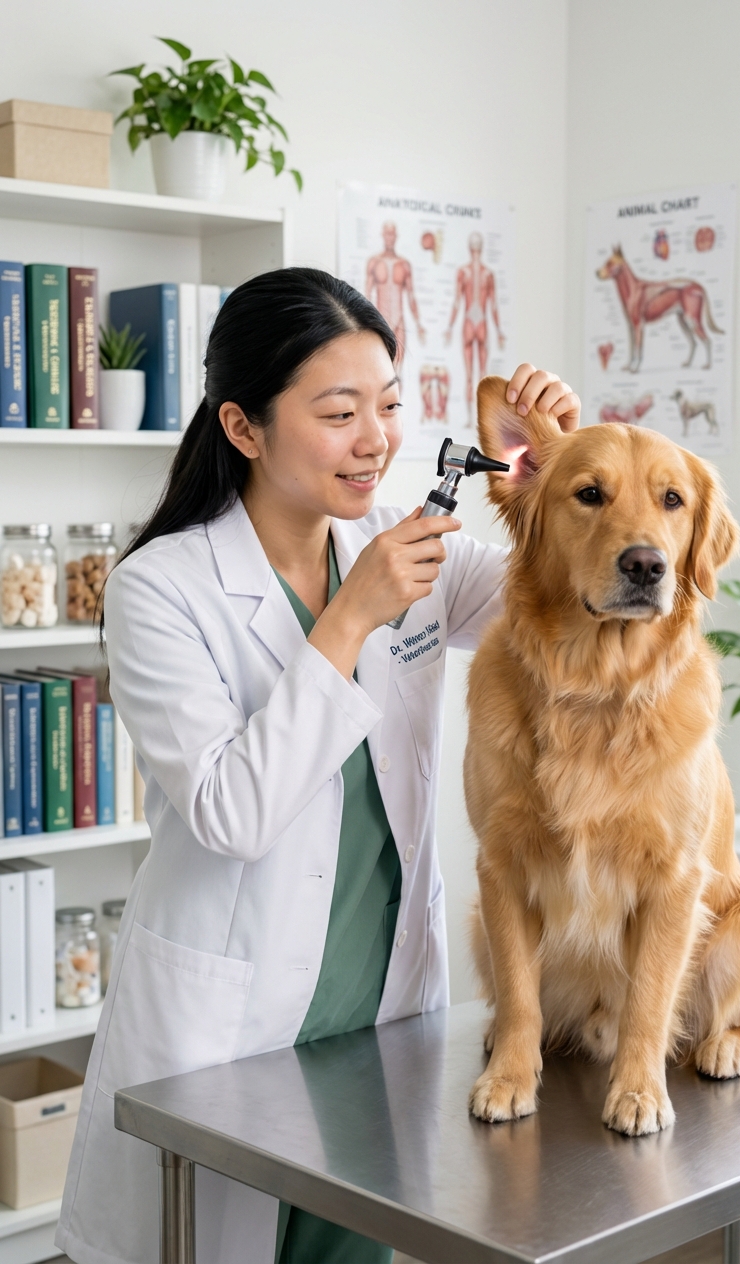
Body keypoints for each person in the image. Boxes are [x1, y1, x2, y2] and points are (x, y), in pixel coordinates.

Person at [55, 268, 579, 1264]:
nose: (375, 438)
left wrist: (551, 468)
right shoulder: (160, 588)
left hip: (374, 1027)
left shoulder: (405, 550)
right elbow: (230, 811)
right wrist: (348, 618)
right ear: (243, 427)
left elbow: (567, 608)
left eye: (385, 405)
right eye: (338, 412)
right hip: (227, 1039)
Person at [444, 231, 506, 425]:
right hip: (481, 324)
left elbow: (456, 302)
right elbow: (493, 305)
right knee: (481, 377)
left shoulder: (464, 272)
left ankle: (473, 420)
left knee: (473, 376)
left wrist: (450, 327)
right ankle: (479, 421)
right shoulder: (488, 274)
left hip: (470, 323)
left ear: (470, 248)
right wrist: (498, 331)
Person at [365, 221, 425, 371]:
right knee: (379, 372)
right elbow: (366, 296)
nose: (390, 237)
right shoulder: (374, 263)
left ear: (396, 236)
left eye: (392, 234)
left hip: (399, 322)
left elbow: (411, 297)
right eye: (387, 233)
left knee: (397, 374)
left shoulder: (404, 265)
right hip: (380, 322)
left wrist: (418, 324)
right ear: (383, 235)